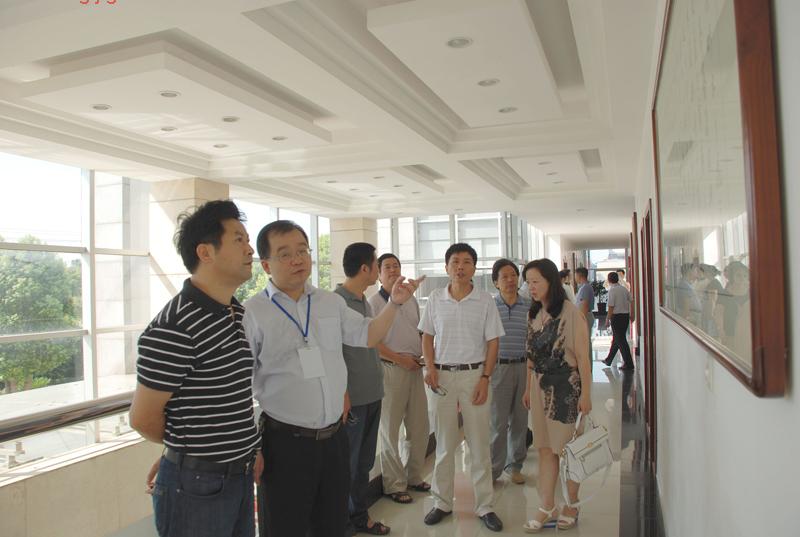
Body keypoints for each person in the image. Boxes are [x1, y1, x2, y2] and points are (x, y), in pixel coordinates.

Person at [242, 220, 422, 537]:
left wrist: (395, 303)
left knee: (332, 524)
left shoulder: (329, 302)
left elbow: (368, 335)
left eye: (302, 251)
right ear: (266, 264)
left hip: (334, 439)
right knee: (285, 527)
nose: (297, 260)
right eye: (285, 254)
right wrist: (251, 445)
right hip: (284, 443)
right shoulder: (252, 313)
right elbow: (240, 385)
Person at [131, 200, 262, 537]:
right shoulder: (175, 326)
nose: (250, 249)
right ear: (205, 252)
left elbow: (230, 399)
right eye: (239, 240)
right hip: (196, 486)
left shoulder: (236, 313)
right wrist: (186, 453)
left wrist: (248, 450)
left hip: (238, 474)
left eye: (247, 240)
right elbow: (142, 418)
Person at [419, 243, 505, 532]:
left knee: (479, 444)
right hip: (441, 376)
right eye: (455, 261)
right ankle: (442, 502)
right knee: (444, 444)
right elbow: (427, 336)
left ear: (474, 268)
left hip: (474, 376)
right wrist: (430, 368)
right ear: (446, 267)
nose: (460, 267)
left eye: (467, 261)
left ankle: (485, 506)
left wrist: (485, 377)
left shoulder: (485, 300)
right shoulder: (435, 298)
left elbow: (493, 342)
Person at [522, 258, 592, 532]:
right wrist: (528, 388)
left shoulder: (570, 312)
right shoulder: (533, 314)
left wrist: (586, 394)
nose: (531, 287)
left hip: (566, 388)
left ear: (551, 281)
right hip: (539, 386)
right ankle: (547, 505)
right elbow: (530, 357)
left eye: (536, 281)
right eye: (528, 282)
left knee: (568, 450)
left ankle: (571, 505)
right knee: (544, 449)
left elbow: (583, 358)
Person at [333, 243, 390, 536]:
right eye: (377, 264)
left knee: (364, 463)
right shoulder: (335, 303)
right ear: (366, 268)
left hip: (372, 394)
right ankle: (342, 523)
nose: (378, 269)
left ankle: (359, 517)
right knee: (348, 465)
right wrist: (342, 394)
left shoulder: (364, 301)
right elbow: (332, 353)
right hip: (352, 401)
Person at [368, 253, 430, 505]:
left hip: (415, 368)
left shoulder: (410, 299)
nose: (393, 270)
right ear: (379, 274)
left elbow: (419, 331)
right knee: (390, 431)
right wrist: (399, 359)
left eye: (396, 266)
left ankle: (414, 476)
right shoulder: (374, 303)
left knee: (419, 427)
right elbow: (373, 342)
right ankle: (394, 485)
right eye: (387, 267)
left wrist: (423, 358)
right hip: (391, 369)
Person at [489, 259, 531, 484]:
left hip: (524, 367)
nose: (510, 280)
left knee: (520, 420)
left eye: (513, 275)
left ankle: (515, 465)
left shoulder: (529, 306)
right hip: (498, 368)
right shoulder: (489, 307)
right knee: (497, 422)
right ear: (496, 282)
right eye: (504, 277)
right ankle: (493, 469)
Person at [603, 271, 634, 369]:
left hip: (616, 317)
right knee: (617, 338)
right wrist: (633, 313)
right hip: (625, 316)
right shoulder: (624, 289)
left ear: (609, 280)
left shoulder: (612, 291)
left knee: (621, 340)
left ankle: (629, 364)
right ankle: (609, 360)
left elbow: (611, 307)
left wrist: (607, 319)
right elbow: (632, 300)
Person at [574, 267, 595, 362]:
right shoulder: (584, 287)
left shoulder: (585, 288)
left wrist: (580, 320)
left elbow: (584, 305)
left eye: (575, 275)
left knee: (585, 342)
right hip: (585, 317)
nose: (575, 277)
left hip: (585, 317)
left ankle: (587, 365)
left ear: (579, 275)